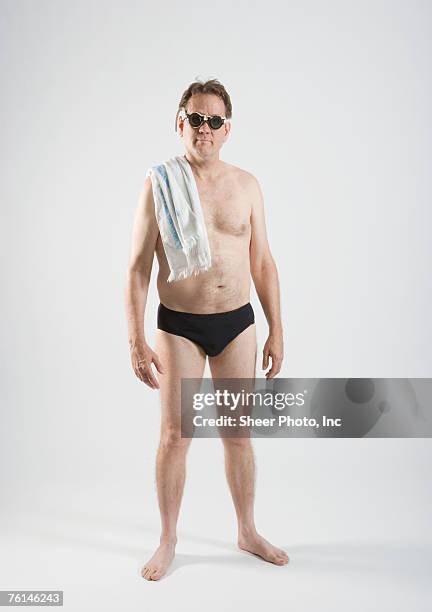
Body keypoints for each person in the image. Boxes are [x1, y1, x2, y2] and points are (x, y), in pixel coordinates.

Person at [125, 78, 288, 581]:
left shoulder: (248, 185)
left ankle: (247, 530)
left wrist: (277, 328)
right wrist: (135, 338)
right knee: (176, 435)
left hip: (239, 322)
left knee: (238, 434)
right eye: (196, 118)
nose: (205, 129)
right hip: (179, 326)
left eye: (214, 121)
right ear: (181, 124)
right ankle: (168, 539)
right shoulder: (160, 184)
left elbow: (262, 262)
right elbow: (137, 269)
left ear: (227, 129)